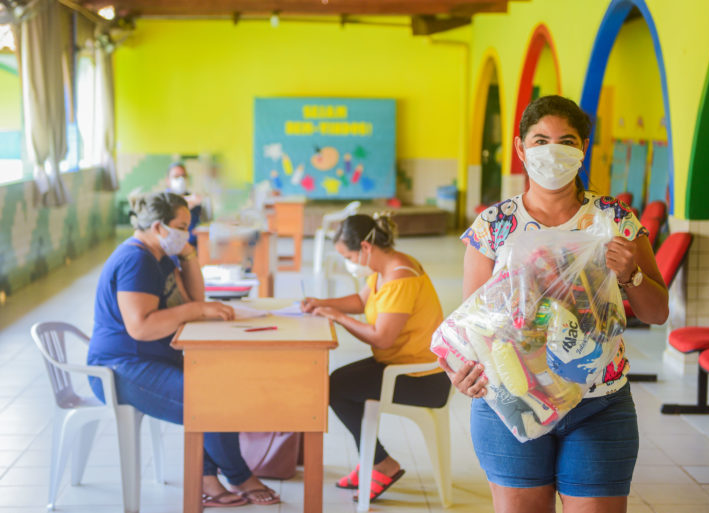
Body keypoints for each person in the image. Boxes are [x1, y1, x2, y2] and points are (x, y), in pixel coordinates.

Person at [443, 95, 669, 513]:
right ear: (520, 148)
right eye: (540, 139)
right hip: (512, 401)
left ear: (583, 148)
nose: (552, 151)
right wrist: (462, 372)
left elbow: (657, 313)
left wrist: (631, 276)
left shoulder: (614, 220)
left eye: (566, 140)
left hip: (599, 402)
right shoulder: (494, 225)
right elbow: (473, 327)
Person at [87, 191, 280, 507]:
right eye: (181, 227)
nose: (186, 233)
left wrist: (188, 253)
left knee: (219, 385)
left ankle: (207, 479)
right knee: (210, 399)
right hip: (120, 369)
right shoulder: (137, 260)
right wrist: (196, 311)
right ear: (159, 227)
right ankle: (238, 475)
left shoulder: (159, 256)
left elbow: (194, 299)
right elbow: (142, 327)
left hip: (147, 360)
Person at [300, 213, 451, 502]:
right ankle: (372, 460)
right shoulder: (385, 267)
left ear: (365, 248)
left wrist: (338, 317)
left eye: (349, 255)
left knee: (336, 388)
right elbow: (361, 301)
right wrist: (322, 303)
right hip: (399, 364)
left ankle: (382, 463)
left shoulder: (400, 277)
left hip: (422, 378)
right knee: (338, 384)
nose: (350, 262)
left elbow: (382, 337)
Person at [166, 161, 204, 247]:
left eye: (183, 176)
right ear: (168, 181)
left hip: (194, 247)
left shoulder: (195, 200)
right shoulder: (163, 200)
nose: (181, 180)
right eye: (176, 176)